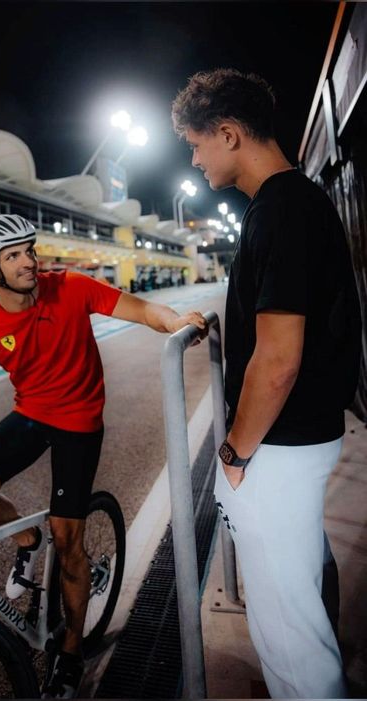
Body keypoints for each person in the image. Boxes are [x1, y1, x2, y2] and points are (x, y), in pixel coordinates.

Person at [0, 213, 207, 699]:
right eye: (14, 256)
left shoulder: (72, 287)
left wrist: (175, 321)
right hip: (32, 412)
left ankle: (70, 650)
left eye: (29, 250)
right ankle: (25, 539)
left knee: (69, 541)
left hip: (79, 421)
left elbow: (141, 309)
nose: (29, 262)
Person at [172, 68, 361, 699]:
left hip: (279, 448)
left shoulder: (280, 210)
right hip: (300, 440)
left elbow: (278, 359)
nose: (195, 160)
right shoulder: (295, 203)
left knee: (288, 631)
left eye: (196, 144)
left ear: (228, 134)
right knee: (299, 599)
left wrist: (233, 453)